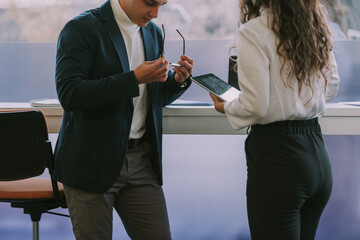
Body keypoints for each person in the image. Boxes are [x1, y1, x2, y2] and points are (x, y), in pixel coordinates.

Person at [53, 0, 193, 239]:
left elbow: (151, 98)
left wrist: (177, 81)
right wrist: (134, 78)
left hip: (141, 161)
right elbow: (70, 94)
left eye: (162, 4)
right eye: (150, 3)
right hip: (92, 160)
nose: (156, 13)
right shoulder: (81, 28)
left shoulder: (152, 32)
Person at [210, 0, 340, 239]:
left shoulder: (253, 31)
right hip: (318, 155)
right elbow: (331, 87)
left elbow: (256, 106)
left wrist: (226, 106)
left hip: (278, 158)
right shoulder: (314, 27)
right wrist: (296, 99)